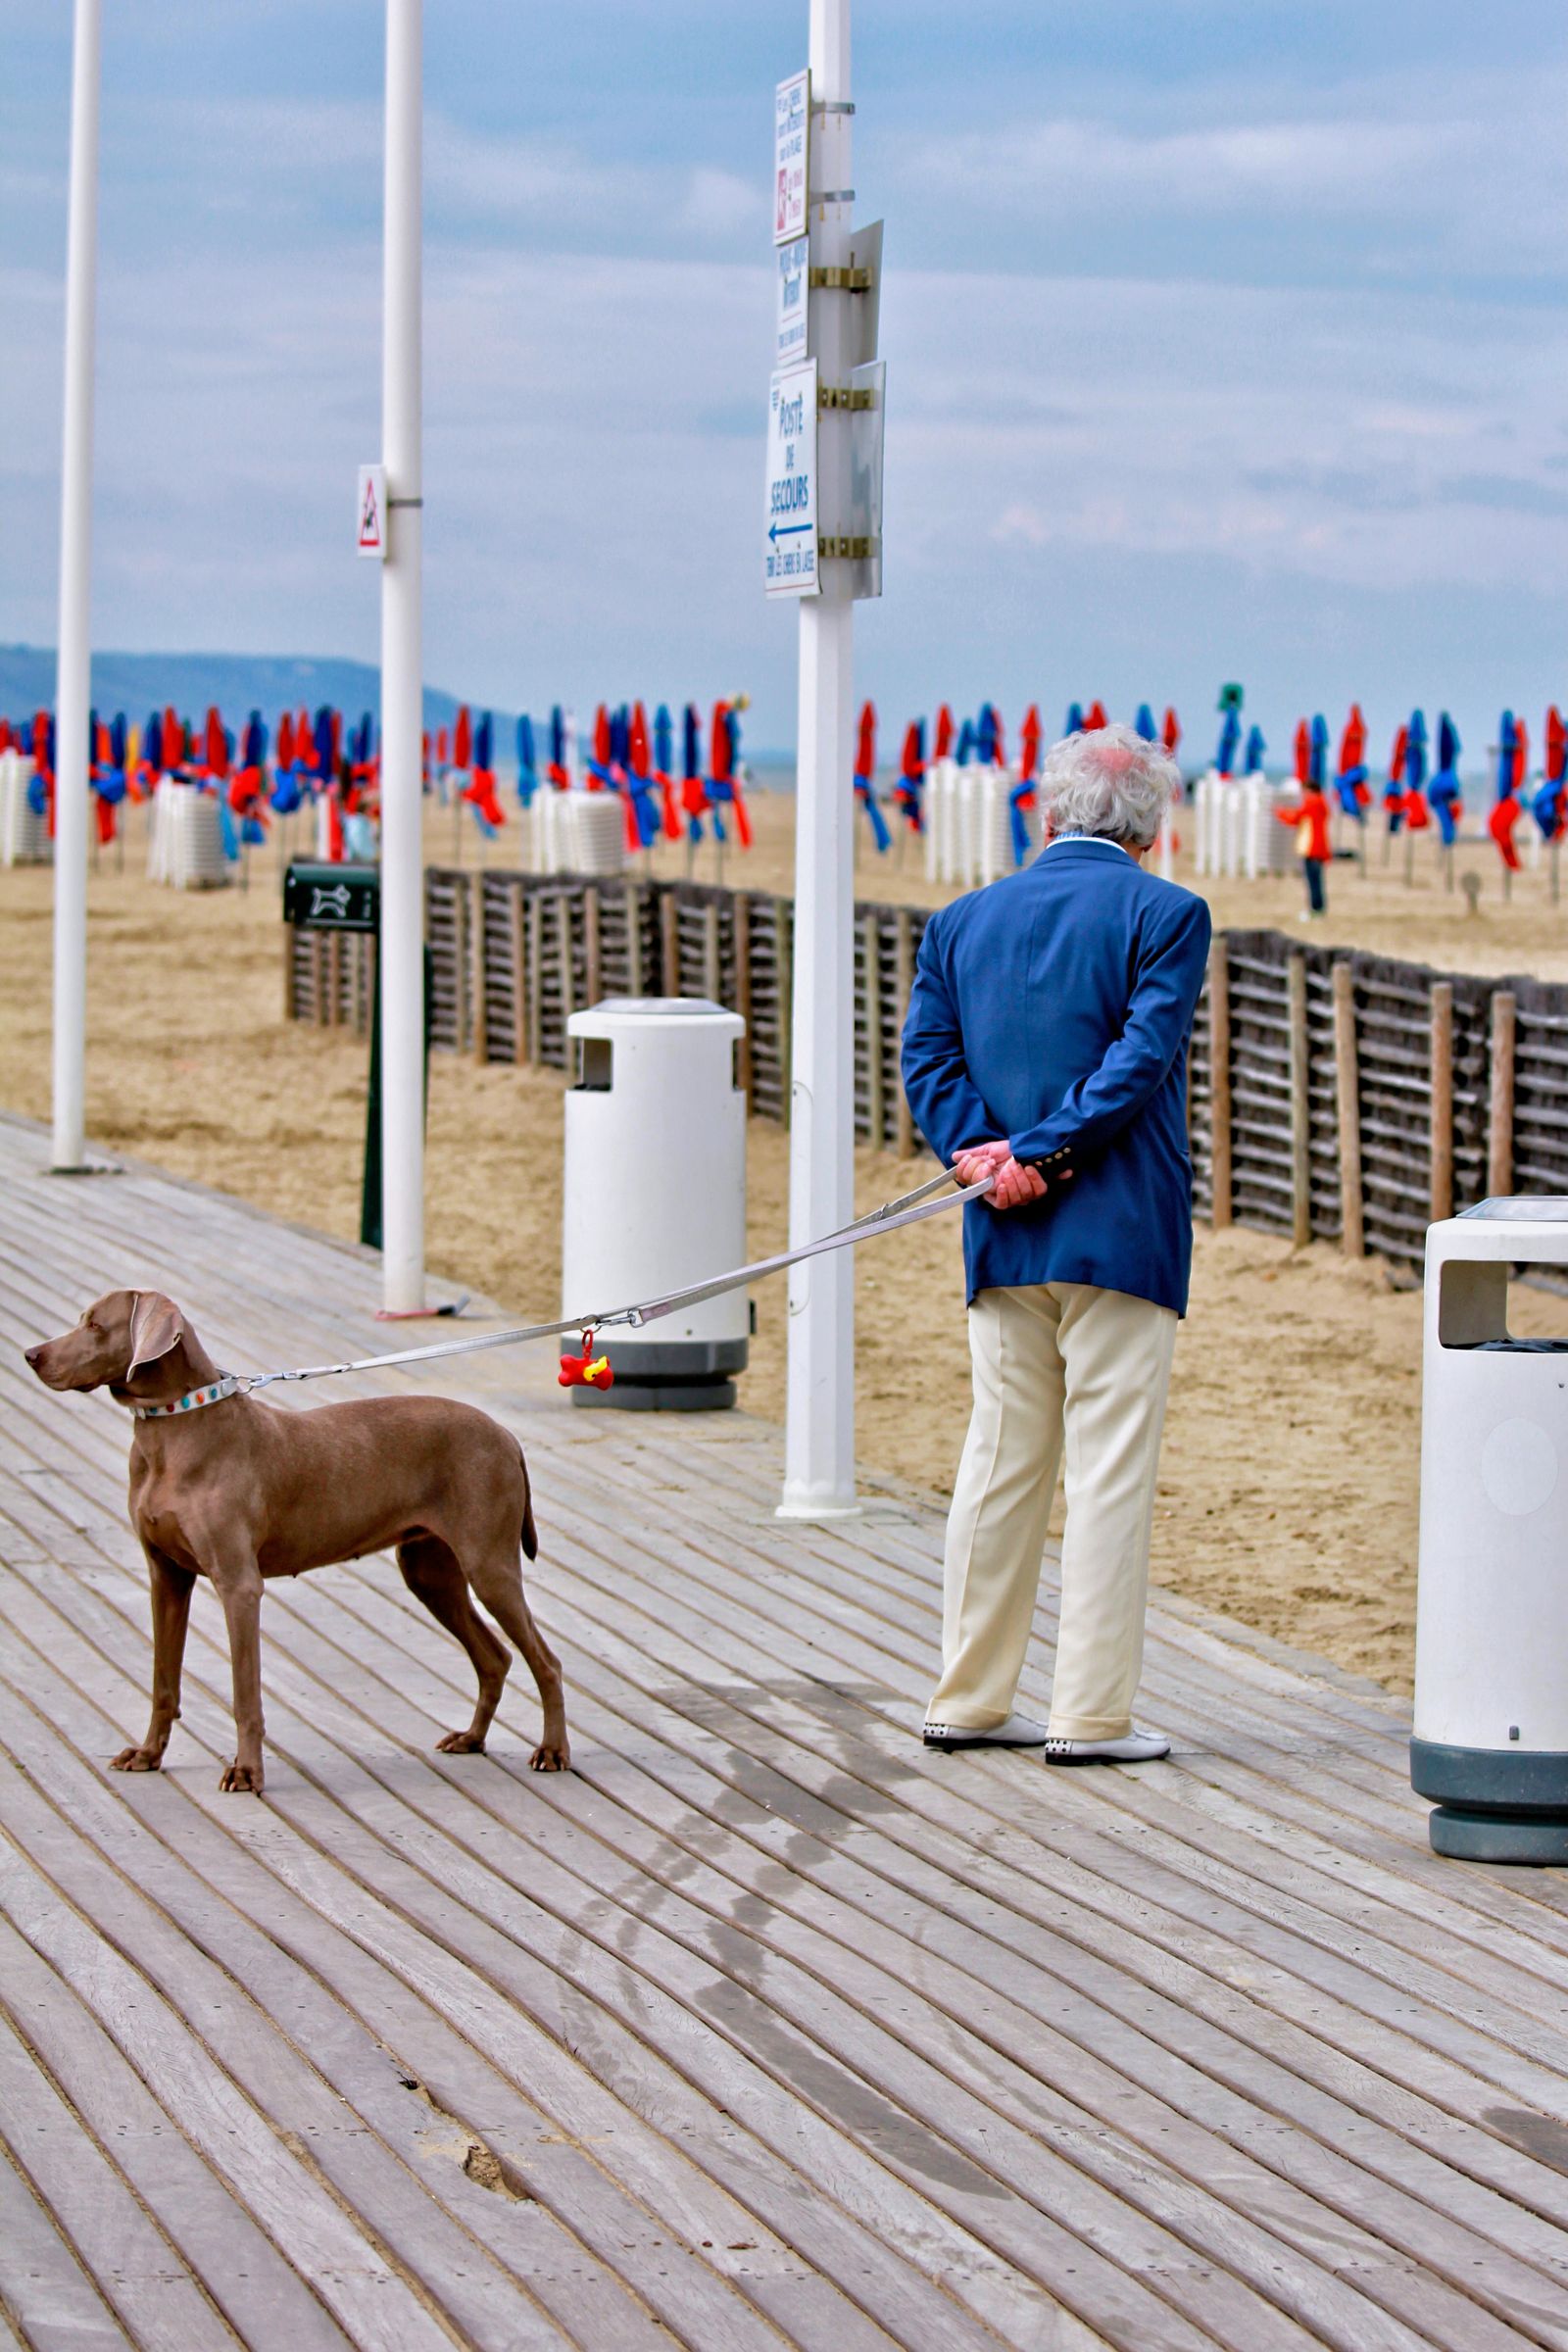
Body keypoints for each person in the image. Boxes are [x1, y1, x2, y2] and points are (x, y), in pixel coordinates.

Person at [901, 724, 1211, 1762]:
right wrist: (1040, 1149)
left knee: (998, 1464)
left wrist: (986, 1159)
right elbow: (1140, 1058)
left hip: (999, 1227)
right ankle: (1089, 1717)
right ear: (1155, 828)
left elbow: (927, 1058)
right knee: (1109, 1473)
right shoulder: (1167, 914)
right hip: (1120, 1228)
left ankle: (968, 1698)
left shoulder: (960, 919)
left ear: (1043, 814)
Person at [1276, 773, 1333, 918]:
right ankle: (1318, 908)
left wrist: (1280, 813)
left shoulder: (1312, 803)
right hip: (1318, 848)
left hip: (1312, 848)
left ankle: (1315, 908)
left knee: (1313, 880)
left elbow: (1296, 817)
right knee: (1316, 880)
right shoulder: (1321, 803)